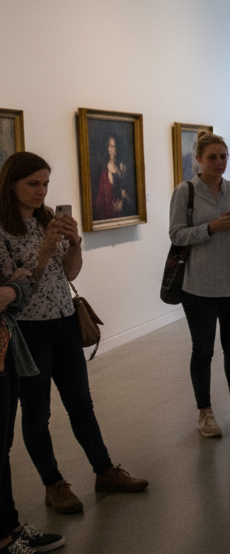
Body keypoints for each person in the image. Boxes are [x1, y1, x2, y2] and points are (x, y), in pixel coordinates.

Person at [0, 152, 148, 513]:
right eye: (33, 184)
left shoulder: (48, 219)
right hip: (27, 331)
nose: (41, 191)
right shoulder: (3, 231)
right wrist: (43, 252)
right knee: (37, 412)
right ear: (11, 185)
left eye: (46, 184)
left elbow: (70, 273)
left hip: (64, 321)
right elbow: (12, 290)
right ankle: (53, 484)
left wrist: (76, 244)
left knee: (81, 402)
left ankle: (104, 470)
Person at [169, 131, 230, 438]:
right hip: (198, 284)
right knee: (203, 349)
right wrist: (211, 227)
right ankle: (205, 412)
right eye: (212, 157)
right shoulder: (185, 191)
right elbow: (176, 234)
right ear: (198, 159)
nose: (219, 162)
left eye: (223, 157)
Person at [0, 270, 64, 554]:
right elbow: (17, 292)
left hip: (5, 347)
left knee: (3, 448)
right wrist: (14, 288)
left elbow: (19, 293)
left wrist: (12, 290)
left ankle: (10, 526)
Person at [94, 135, 130, 219]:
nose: (113, 149)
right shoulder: (104, 172)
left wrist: (123, 200)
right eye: (111, 146)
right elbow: (103, 199)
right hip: (111, 213)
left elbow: (127, 193)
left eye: (115, 146)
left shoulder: (122, 167)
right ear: (107, 147)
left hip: (123, 213)